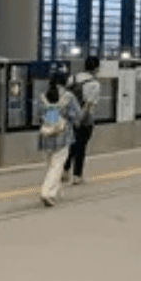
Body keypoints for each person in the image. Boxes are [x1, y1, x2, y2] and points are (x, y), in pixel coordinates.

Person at [38, 73, 81, 207]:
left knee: (50, 166)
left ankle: (54, 191)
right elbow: (77, 115)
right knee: (57, 166)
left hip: (46, 136)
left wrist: (50, 119)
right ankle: (47, 193)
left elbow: (38, 116)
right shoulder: (69, 97)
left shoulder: (43, 97)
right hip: (62, 136)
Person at [65, 56, 101, 185]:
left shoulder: (72, 78)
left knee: (71, 144)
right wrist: (81, 118)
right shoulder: (95, 84)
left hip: (69, 116)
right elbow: (89, 104)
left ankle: (64, 170)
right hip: (84, 118)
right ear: (96, 68)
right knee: (81, 146)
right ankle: (77, 175)